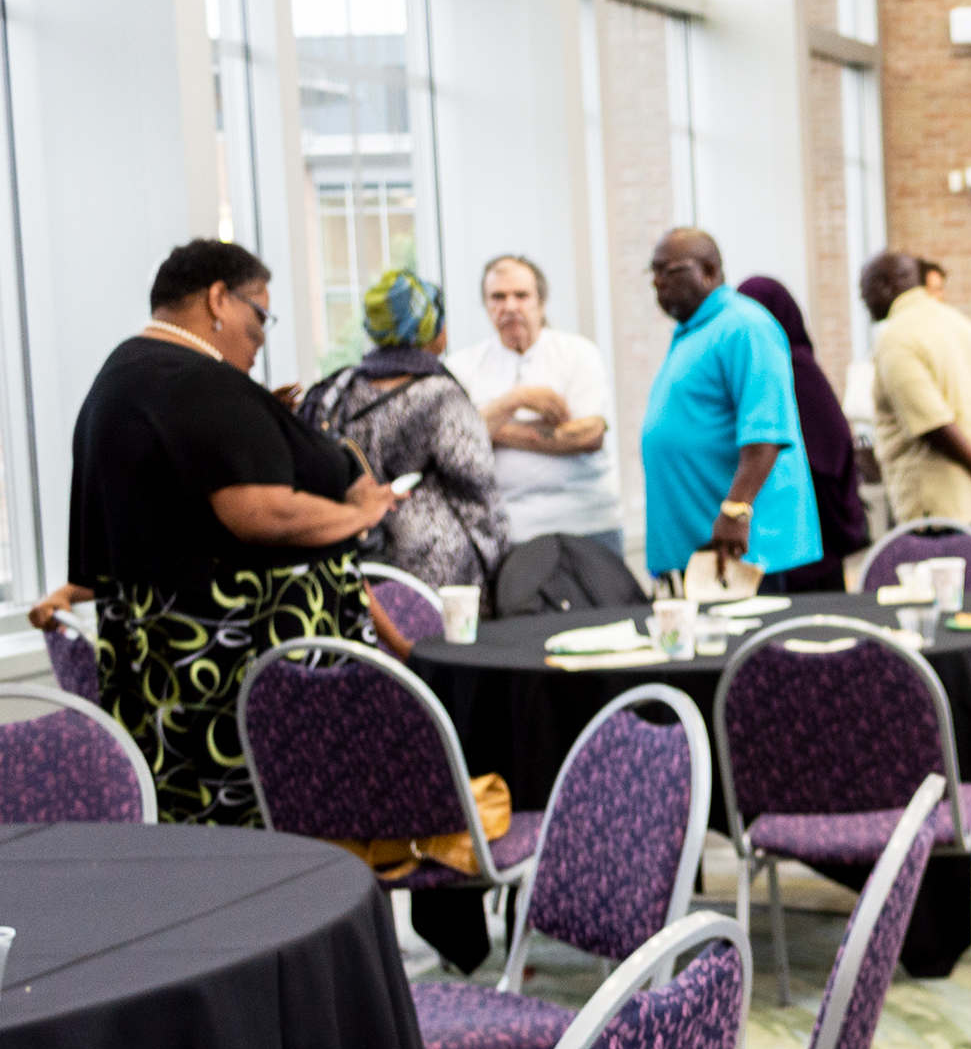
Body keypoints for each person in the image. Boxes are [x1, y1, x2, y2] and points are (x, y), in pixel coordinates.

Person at [30, 240, 400, 827]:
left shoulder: (128, 376)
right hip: (237, 670)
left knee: (214, 852)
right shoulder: (192, 382)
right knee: (274, 844)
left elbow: (155, 522)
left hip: (172, 665)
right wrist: (362, 512)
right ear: (218, 299)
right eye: (260, 316)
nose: (260, 336)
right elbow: (261, 514)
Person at [302, 269, 510, 596]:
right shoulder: (441, 395)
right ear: (430, 330)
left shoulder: (342, 391)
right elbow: (477, 489)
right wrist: (500, 567)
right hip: (438, 575)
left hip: (361, 568)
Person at [638, 228, 820, 590]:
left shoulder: (745, 326)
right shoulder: (695, 331)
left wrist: (736, 510)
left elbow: (766, 432)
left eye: (669, 271)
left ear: (708, 269)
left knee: (750, 647)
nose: (657, 282)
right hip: (698, 550)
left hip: (742, 552)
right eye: (653, 271)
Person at [445, 253, 626, 560]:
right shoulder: (462, 366)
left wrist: (491, 429)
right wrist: (516, 399)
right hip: (511, 530)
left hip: (588, 522)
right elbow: (451, 442)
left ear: (541, 303)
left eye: (522, 295)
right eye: (498, 297)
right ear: (487, 305)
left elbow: (589, 436)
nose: (510, 306)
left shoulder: (578, 353)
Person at [862, 250, 971, 552]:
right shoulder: (960, 322)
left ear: (884, 287)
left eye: (864, 292)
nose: (864, 304)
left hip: (937, 508)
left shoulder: (896, 337)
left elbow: (933, 424)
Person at [737, 276, 871, 591]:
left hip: (810, 526)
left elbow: (826, 448)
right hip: (798, 529)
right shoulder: (786, 363)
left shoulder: (792, 368)